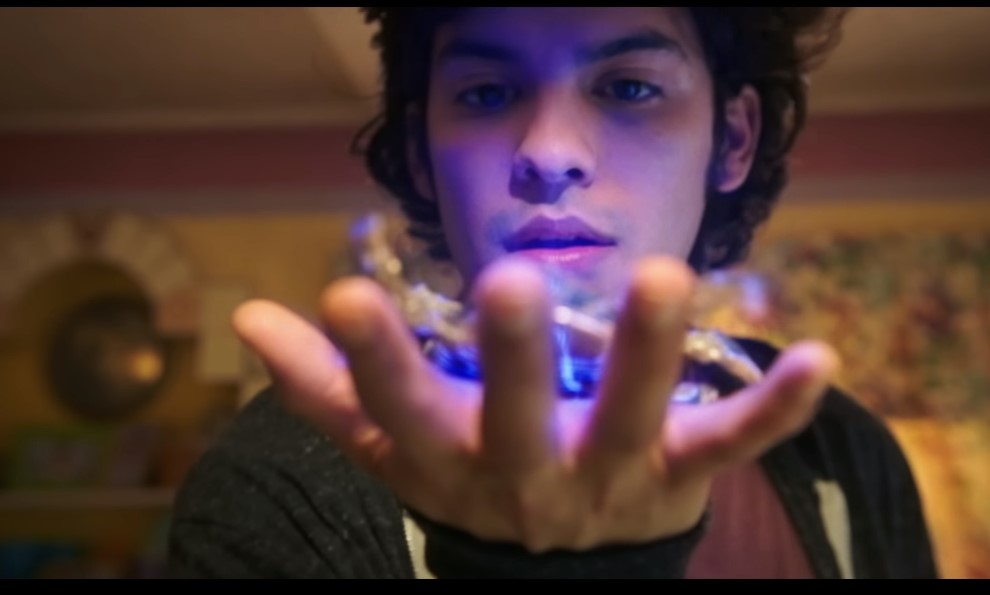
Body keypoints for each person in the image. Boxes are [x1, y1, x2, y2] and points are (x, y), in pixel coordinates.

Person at [166, 7, 939, 578]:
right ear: (421, 154)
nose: (547, 152)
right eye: (486, 94)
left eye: (630, 87)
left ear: (732, 140)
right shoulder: (284, 475)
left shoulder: (839, 446)